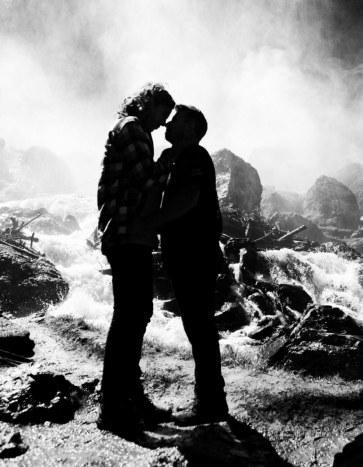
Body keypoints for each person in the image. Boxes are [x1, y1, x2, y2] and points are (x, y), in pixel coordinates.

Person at [136, 104, 229, 425]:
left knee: (199, 326)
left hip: (195, 255)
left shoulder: (195, 155)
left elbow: (190, 196)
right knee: (198, 325)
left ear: (190, 128)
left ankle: (210, 403)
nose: (166, 126)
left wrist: (150, 222)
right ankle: (211, 401)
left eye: (173, 121)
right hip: (189, 255)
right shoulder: (180, 158)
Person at [95, 83, 176, 435]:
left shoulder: (139, 130)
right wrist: (169, 162)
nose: (163, 124)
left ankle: (131, 395)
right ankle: (113, 405)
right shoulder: (131, 128)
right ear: (149, 105)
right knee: (129, 314)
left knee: (138, 312)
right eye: (162, 114)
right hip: (125, 232)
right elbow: (145, 179)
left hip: (135, 234)